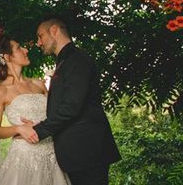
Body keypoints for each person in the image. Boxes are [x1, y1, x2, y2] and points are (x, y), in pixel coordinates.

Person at [20, 17, 121, 185]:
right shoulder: (65, 61)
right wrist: (39, 122)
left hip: (87, 151)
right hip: (78, 153)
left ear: (54, 30)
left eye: (40, 36)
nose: (38, 43)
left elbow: (72, 107)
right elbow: (65, 105)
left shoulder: (76, 59)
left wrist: (39, 130)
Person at [0, 35, 70, 185]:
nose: (25, 50)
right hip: (24, 158)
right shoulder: (0, 92)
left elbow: (56, 115)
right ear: (7, 56)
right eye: (18, 48)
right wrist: (19, 128)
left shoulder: (38, 84)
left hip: (53, 155)